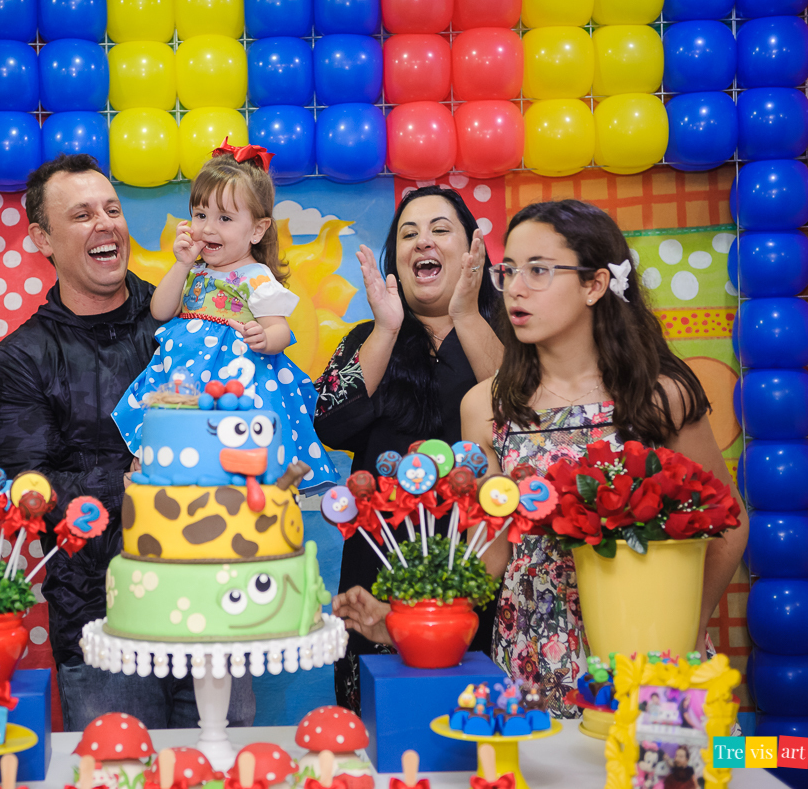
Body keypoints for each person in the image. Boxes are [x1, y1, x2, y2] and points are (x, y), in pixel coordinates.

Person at [0, 153, 254, 731]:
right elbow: (21, 491)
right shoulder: (19, 361)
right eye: (81, 215)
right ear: (42, 240)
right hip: (103, 626)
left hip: (215, 605)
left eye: (112, 209)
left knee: (225, 767)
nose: (105, 224)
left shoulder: (186, 316)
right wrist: (130, 484)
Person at [457, 199, 747, 715]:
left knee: (678, 770)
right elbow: (493, 556)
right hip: (533, 658)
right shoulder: (486, 405)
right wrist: (418, 597)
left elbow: (728, 521)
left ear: (595, 284)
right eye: (509, 271)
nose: (516, 288)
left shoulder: (660, 395)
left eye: (539, 270)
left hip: (649, 653)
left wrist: (686, 624)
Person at [316, 186, 503, 712]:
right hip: (378, 575)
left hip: (484, 570)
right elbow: (329, 421)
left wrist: (467, 316)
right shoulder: (366, 337)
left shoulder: (509, 333)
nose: (423, 241)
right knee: (384, 733)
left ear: (473, 249)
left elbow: (527, 417)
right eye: (408, 233)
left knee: (479, 742)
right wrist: (386, 327)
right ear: (395, 257)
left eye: (440, 229)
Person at [111, 141, 337, 491]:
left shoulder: (255, 276)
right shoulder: (194, 270)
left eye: (225, 218)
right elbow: (161, 311)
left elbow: (279, 331)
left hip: (237, 382)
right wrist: (182, 264)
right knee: (182, 452)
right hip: (184, 377)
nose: (208, 228)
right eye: (200, 215)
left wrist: (264, 339)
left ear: (257, 230)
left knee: (233, 457)